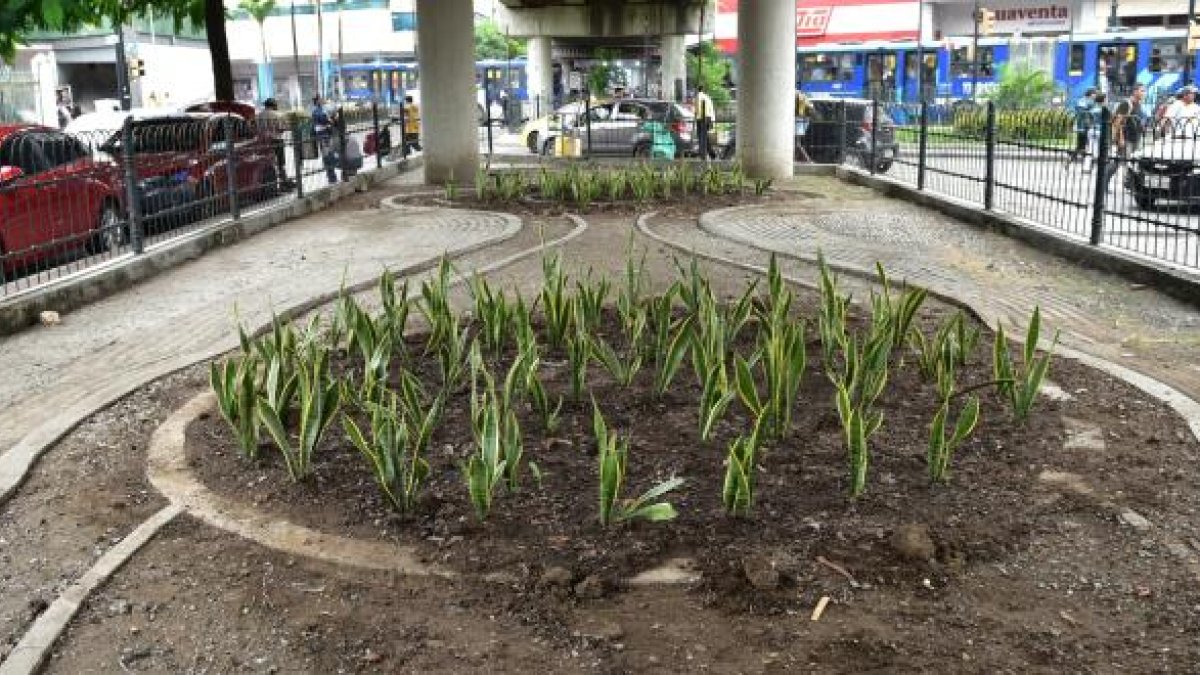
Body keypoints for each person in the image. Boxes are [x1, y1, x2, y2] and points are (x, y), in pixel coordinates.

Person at [1105, 84, 1149, 188]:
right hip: (1126, 137)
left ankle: (1129, 183)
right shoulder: (1126, 104)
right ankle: (1104, 181)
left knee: (1133, 162)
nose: (1144, 93)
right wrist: (1120, 138)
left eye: (1144, 91)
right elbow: (1117, 122)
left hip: (1136, 137)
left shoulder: (1139, 105)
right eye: (1142, 91)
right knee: (1120, 161)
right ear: (1135, 91)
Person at [258, 98, 290, 188]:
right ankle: (283, 182)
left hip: (263, 141)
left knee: (268, 162)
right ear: (274, 105)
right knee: (280, 163)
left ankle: (271, 184)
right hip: (277, 140)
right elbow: (282, 128)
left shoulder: (259, 116)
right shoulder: (278, 115)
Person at [1065, 87, 1097, 168]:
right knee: (1086, 145)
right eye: (1095, 94)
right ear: (1091, 94)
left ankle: (1073, 158)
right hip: (1086, 127)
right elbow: (1090, 114)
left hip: (1080, 126)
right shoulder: (1090, 102)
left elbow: (1078, 112)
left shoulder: (1081, 100)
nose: (1095, 95)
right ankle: (1086, 163)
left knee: (1081, 145)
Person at [695, 85, 716, 160]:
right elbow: (712, 109)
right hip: (709, 118)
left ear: (698, 89)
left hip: (701, 118)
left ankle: (703, 153)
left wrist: (696, 115)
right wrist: (713, 120)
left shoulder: (698, 96)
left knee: (701, 136)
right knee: (705, 136)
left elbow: (697, 108)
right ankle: (710, 153)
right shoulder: (708, 97)